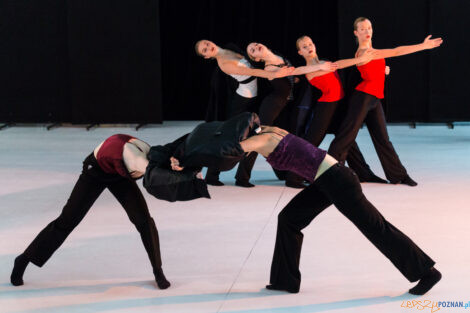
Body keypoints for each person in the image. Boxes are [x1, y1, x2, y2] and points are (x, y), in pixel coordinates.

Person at [232, 125, 441, 296]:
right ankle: (285, 281)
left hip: (338, 181)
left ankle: (427, 273)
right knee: (289, 219)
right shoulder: (270, 130)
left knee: (376, 228)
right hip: (326, 180)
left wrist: (199, 161)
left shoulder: (263, 140)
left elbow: (230, 149)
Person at [10, 134, 170, 289]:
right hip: (96, 171)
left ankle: (158, 270)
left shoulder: (145, 151)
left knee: (144, 220)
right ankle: (23, 260)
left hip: (119, 171)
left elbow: (161, 164)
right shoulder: (133, 161)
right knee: (66, 221)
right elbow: (151, 178)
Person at [327, 17, 443, 186]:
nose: (367, 31)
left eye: (369, 28)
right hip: (363, 98)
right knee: (347, 136)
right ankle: (330, 174)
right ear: (356, 33)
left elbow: (373, 71)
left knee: (383, 139)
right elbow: (396, 51)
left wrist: (383, 70)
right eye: (363, 29)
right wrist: (423, 46)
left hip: (375, 99)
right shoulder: (366, 52)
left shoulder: (373, 51)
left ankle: (398, 175)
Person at [195, 40, 294, 187]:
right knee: (232, 137)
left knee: (261, 132)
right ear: (206, 56)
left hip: (253, 97)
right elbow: (252, 72)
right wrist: (276, 73)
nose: (209, 47)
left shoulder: (230, 47)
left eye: (207, 44)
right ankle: (212, 175)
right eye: (205, 50)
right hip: (243, 101)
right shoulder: (224, 64)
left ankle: (279, 173)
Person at [294, 35, 388, 184]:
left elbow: (345, 67)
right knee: (312, 142)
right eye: (304, 47)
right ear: (300, 52)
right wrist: (361, 59)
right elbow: (338, 66)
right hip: (325, 108)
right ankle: (294, 178)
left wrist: (381, 68)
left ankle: (364, 174)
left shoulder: (325, 62)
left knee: (348, 141)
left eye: (310, 44)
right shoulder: (309, 69)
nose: (309, 47)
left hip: (338, 106)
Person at [246, 42, 337, 188]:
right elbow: (294, 71)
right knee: (258, 138)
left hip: (284, 107)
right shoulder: (269, 67)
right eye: (253, 50)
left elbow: (292, 77)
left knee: (284, 141)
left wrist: (293, 82)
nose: (256, 47)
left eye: (256, 45)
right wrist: (320, 66)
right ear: (256, 59)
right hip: (272, 105)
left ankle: (283, 172)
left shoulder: (278, 56)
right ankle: (242, 177)